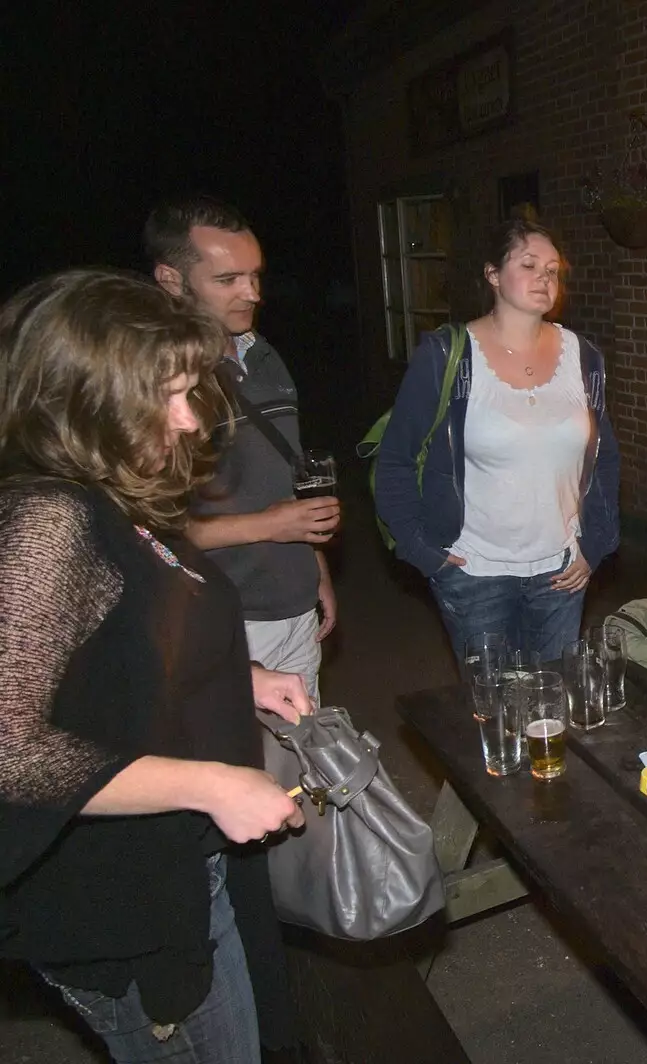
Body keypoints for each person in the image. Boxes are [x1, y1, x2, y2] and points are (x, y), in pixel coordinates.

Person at [0, 270, 315, 1063]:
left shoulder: (111, 490)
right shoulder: (48, 519)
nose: (187, 418)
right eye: (164, 395)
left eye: (190, 389)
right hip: (121, 901)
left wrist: (240, 682)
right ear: (81, 397)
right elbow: (9, 753)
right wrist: (209, 783)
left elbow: (116, 647)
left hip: (181, 864)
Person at [374, 218, 620, 668]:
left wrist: (596, 542)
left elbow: (603, 458)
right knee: (495, 713)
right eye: (529, 265)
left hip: (560, 571)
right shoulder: (448, 355)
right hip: (474, 572)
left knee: (551, 712)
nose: (545, 278)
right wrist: (423, 551)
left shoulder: (584, 357)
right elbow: (396, 461)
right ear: (492, 274)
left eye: (552, 270)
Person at [146, 195, 340, 704]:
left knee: (304, 771)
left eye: (255, 275)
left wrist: (313, 566)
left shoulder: (265, 355)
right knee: (233, 774)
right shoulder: (158, 382)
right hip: (220, 614)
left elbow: (287, 480)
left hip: (293, 607)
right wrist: (269, 527)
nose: (251, 293)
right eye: (228, 279)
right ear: (171, 279)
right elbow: (146, 532)